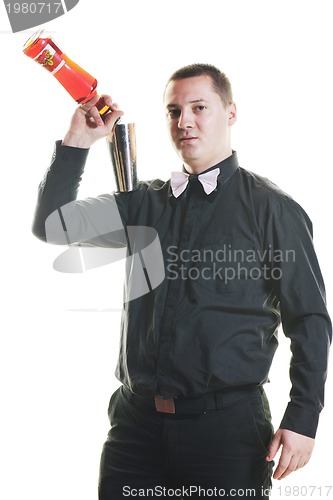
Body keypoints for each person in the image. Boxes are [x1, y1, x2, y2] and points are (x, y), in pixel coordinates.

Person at [32, 64, 331, 499]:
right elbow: (52, 226)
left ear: (230, 113)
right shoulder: (144, 203)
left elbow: (309, 320)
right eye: (173, 111)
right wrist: (78, 140)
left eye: (198, 107)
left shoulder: (273, 210)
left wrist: (303, 418)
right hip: (135, 429)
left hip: (226, 433)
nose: (184, 121)